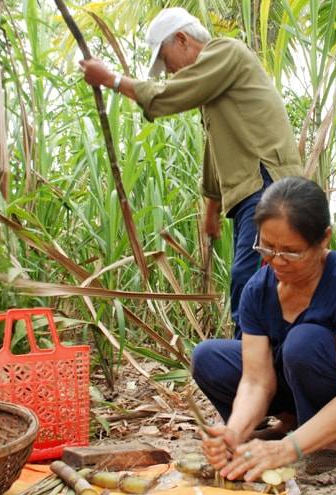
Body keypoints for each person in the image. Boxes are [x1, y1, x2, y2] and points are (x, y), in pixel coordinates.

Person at [79, 8, 304, 339]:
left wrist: (111, 79)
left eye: (168, 62)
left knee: (252, 283)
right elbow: (215, 152)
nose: (169, 72)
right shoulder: (215, 90)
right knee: (257, 285)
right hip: (255, 192)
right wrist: (211, 211)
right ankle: (260, 371)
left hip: (268, 187)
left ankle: (250, 374)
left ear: (182, 39)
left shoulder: (225, 52)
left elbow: (168, 95)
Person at [191, 176, 336, 477]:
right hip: (298, 375)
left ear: (323, 239)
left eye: (291, 251)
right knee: (208, 357)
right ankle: (293, 424)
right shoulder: (258, 290)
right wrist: (234, 430)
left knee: (303, 342)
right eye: (267, 247)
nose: (277, 261)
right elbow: (256, 381)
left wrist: (286, 451)